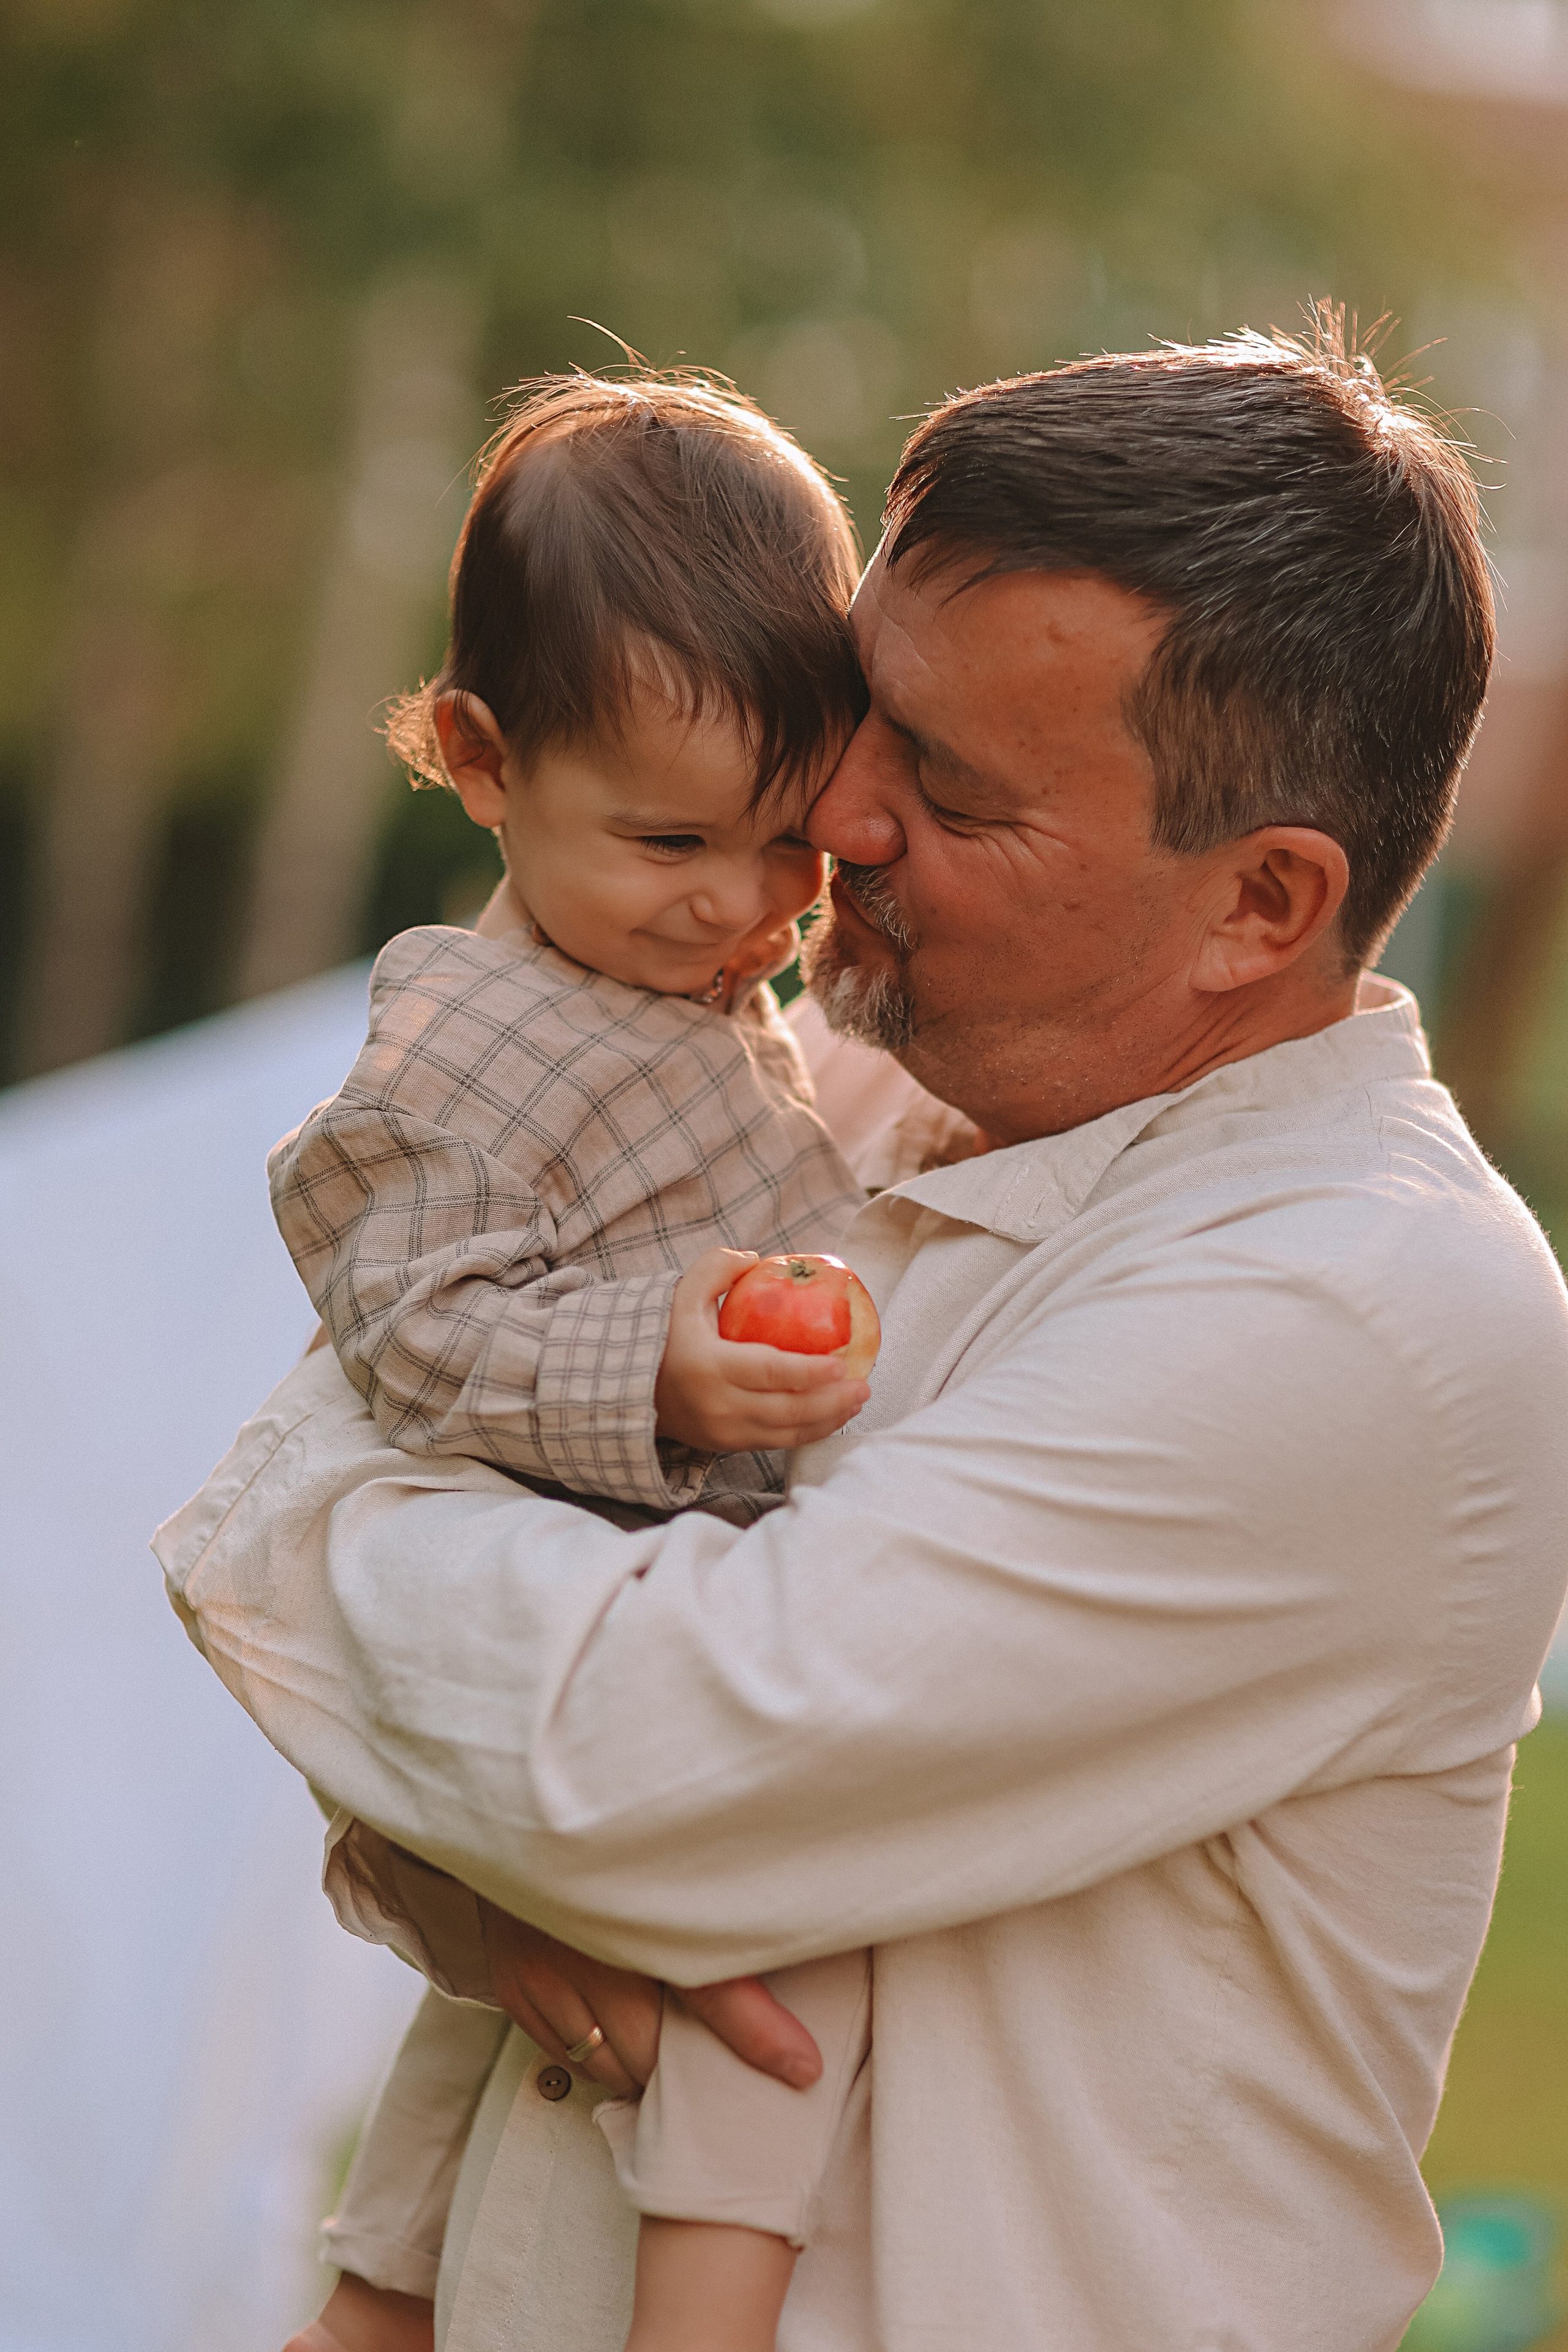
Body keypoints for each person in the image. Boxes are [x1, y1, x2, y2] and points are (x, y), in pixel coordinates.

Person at [157, 322, 1568, 2352]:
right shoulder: (813, 1088)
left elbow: (631, 1761)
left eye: (955, 787)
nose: (834, 808)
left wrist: (303, 1545)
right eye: (863, 713)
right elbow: (483, 1589)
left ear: (1262, 903)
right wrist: (441, 1839)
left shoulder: (1361, 1306)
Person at [265, 374, 967, 2352]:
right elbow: (411, 1329)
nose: (742, 909)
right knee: (754, 1996)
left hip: (655, 1583)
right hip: (570, 1598)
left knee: (507, 2034)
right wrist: (648, 1358)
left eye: (790, 849)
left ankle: (375, 2305)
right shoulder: (455, 1054)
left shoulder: (668, 976)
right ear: (479, 760)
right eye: (673, 840)